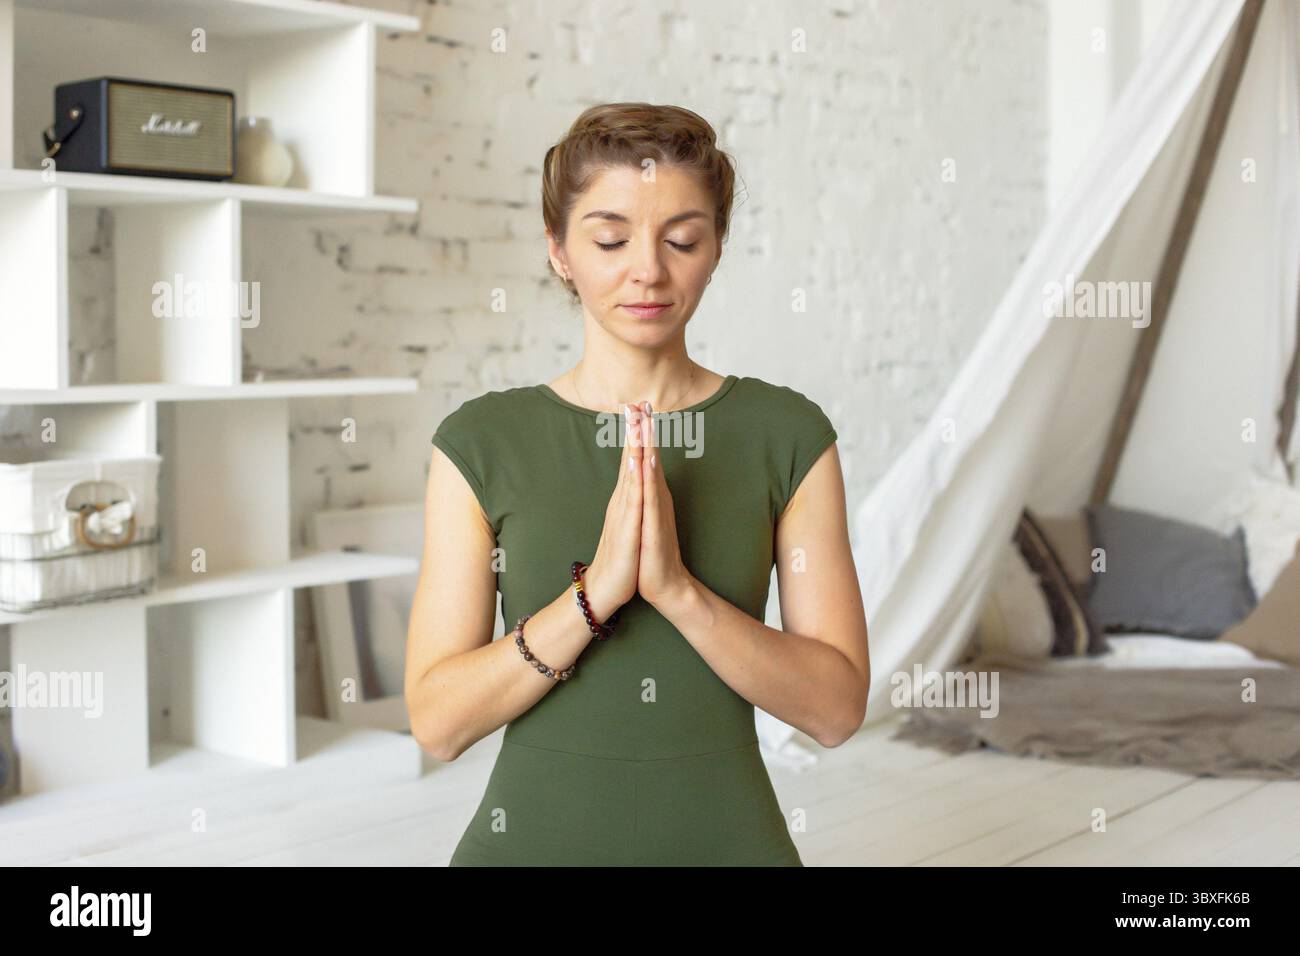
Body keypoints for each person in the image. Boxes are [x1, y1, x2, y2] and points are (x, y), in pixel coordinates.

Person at [406, 103, 870, 866]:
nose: (648, 270)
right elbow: (438, 723)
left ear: (716, 247)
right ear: (559, 250)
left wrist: (678, 591)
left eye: (682, 239)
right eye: (611, 239)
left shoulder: (788, 435)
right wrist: (595, 598)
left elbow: (835, 710)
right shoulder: (479, 443)